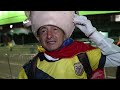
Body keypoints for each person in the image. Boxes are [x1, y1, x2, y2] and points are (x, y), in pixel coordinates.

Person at [18, 11, 120, 79]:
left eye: (55, 29)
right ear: (38, 36)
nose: (49, 35)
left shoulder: (83, 55)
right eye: (44, 31)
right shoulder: (29, 70)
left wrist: (93, 33)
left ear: (64, 34)